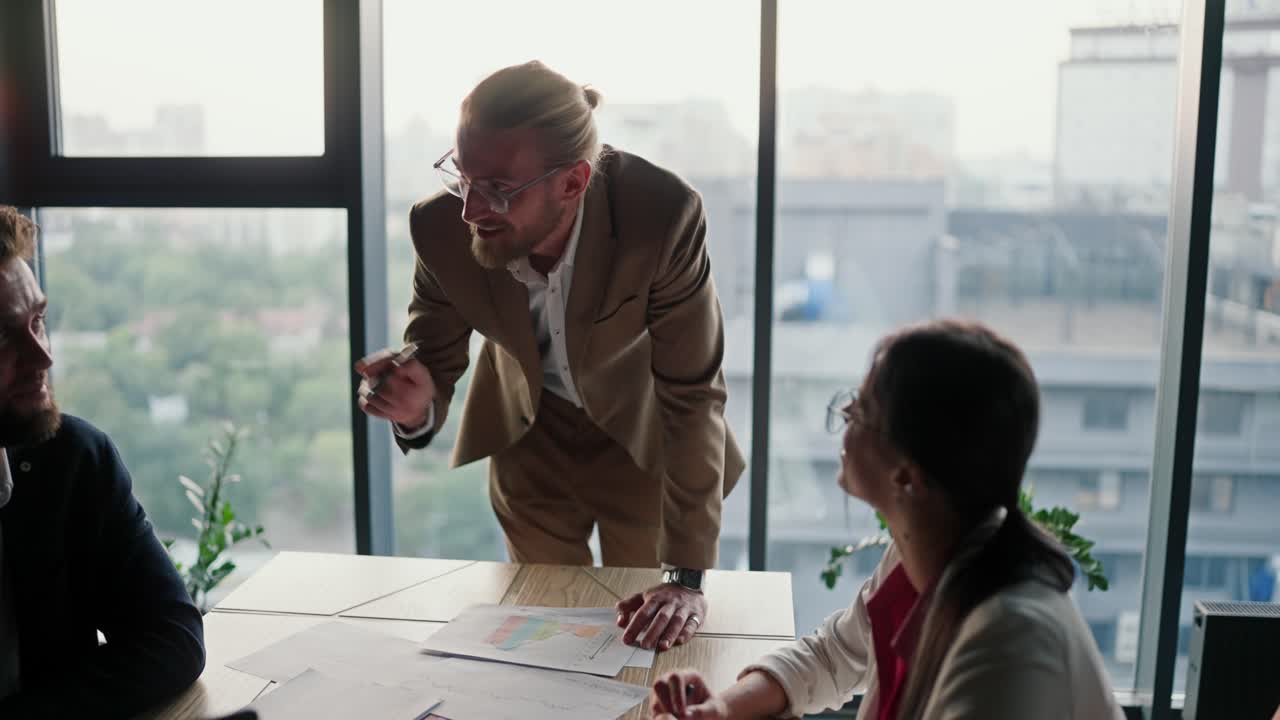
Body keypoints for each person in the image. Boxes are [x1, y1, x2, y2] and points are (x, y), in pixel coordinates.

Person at [355, 60, 743, 652]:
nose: (470, 210)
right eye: (463, 175)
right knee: (547, 636)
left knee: (645, 640)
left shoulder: (661, 217)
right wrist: (412, 405)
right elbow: (430, 357)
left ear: (572, 182)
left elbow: (692, 392)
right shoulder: (438, 228)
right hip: (527, 434)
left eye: (497, 190)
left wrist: (686, 577)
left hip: (642, 434)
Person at [649, 320, 1123, 719]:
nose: (848, 412)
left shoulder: (1011, 645)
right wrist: (724, 710)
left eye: (866, 409)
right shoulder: (926, 549)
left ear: (907, 476)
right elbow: (832, 656)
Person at [0, 206, 206, 718]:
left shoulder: (71, 458)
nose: (43, 357)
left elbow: (173, 635)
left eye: (39, 322)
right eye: (5, 337)